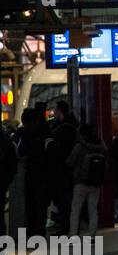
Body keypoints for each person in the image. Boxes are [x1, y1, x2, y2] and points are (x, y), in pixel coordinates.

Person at [67, 123, 108, 236]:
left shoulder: (79, 146)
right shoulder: (100, 146)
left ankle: (73, 234)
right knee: (93, 209)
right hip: (96, 183)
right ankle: (92, 234)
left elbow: (70, 161)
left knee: (75, 210)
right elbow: (107, 153)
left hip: (80, 182)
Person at [15, 108, 49, 237]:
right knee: (41, 206)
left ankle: (31, 232)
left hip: (29, 174)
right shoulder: (45, 132)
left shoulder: (22, 134)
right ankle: (40, 231)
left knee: (30, 206)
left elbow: (18, 151)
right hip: (44, 174)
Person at [45, 100, 79, 234]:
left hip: (63, 169)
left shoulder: (65, 127)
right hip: (65, 169)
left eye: (55, 110)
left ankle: (67, 227)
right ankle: (66, 226)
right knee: (63, 200)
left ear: (60, 110)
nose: (53, 112)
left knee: (65, 200)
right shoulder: (71, 124)